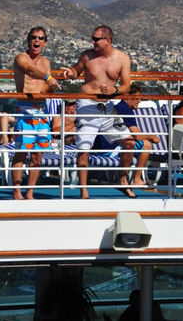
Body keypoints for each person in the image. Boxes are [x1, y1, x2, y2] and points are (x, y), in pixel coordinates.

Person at [61, 26, 135, 199]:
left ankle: (122, 180)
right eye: (92, 38)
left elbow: (126, 86)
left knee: (129, 143)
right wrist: (70, 73)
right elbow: (76, 70)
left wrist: (113, 90)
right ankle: (84, 191)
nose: (92, 41)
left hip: (107, 108)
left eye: (96, 39)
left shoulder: (122, 58)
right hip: (86, 106)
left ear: (107, 40)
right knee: (84, 149)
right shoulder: (87, 56)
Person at [12, 27, 62, 200]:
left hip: (42, 111)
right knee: (21, 152)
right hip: (25, 110)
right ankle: (17, 192)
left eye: (40, 38)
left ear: (44, 42)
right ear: (28, 40)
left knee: (38, 154)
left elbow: (47, 87)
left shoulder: (46, 62)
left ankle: (30, 193)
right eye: (33, 37)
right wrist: (48, 78)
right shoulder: (21, 58)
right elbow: (30, 71)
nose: (37, 40)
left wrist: (52, 86)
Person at [113, 86, 161, 187]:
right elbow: (137, 136)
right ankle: (136, 179)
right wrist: (152, 137)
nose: (139, 100)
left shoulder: (118, 107)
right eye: (136, 98)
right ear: (127, 97)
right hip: (113, 147)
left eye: (140, 98)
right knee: (146, 145)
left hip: (106, 144)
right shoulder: (126, 110)